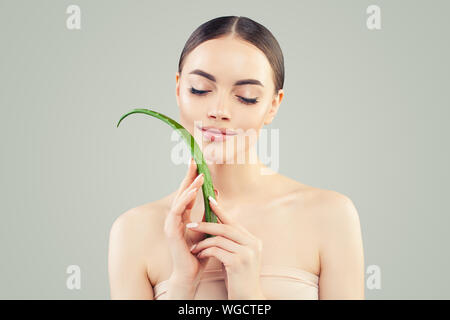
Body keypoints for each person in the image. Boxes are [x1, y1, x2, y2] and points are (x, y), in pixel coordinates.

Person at [108, 16, 365, 300]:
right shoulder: (132, 231)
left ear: (272, 106)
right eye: (200, 89)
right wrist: (183, 283)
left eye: (246, 96)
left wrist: (248, 295)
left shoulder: (330, 215)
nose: (219, 110)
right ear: (179, 89)